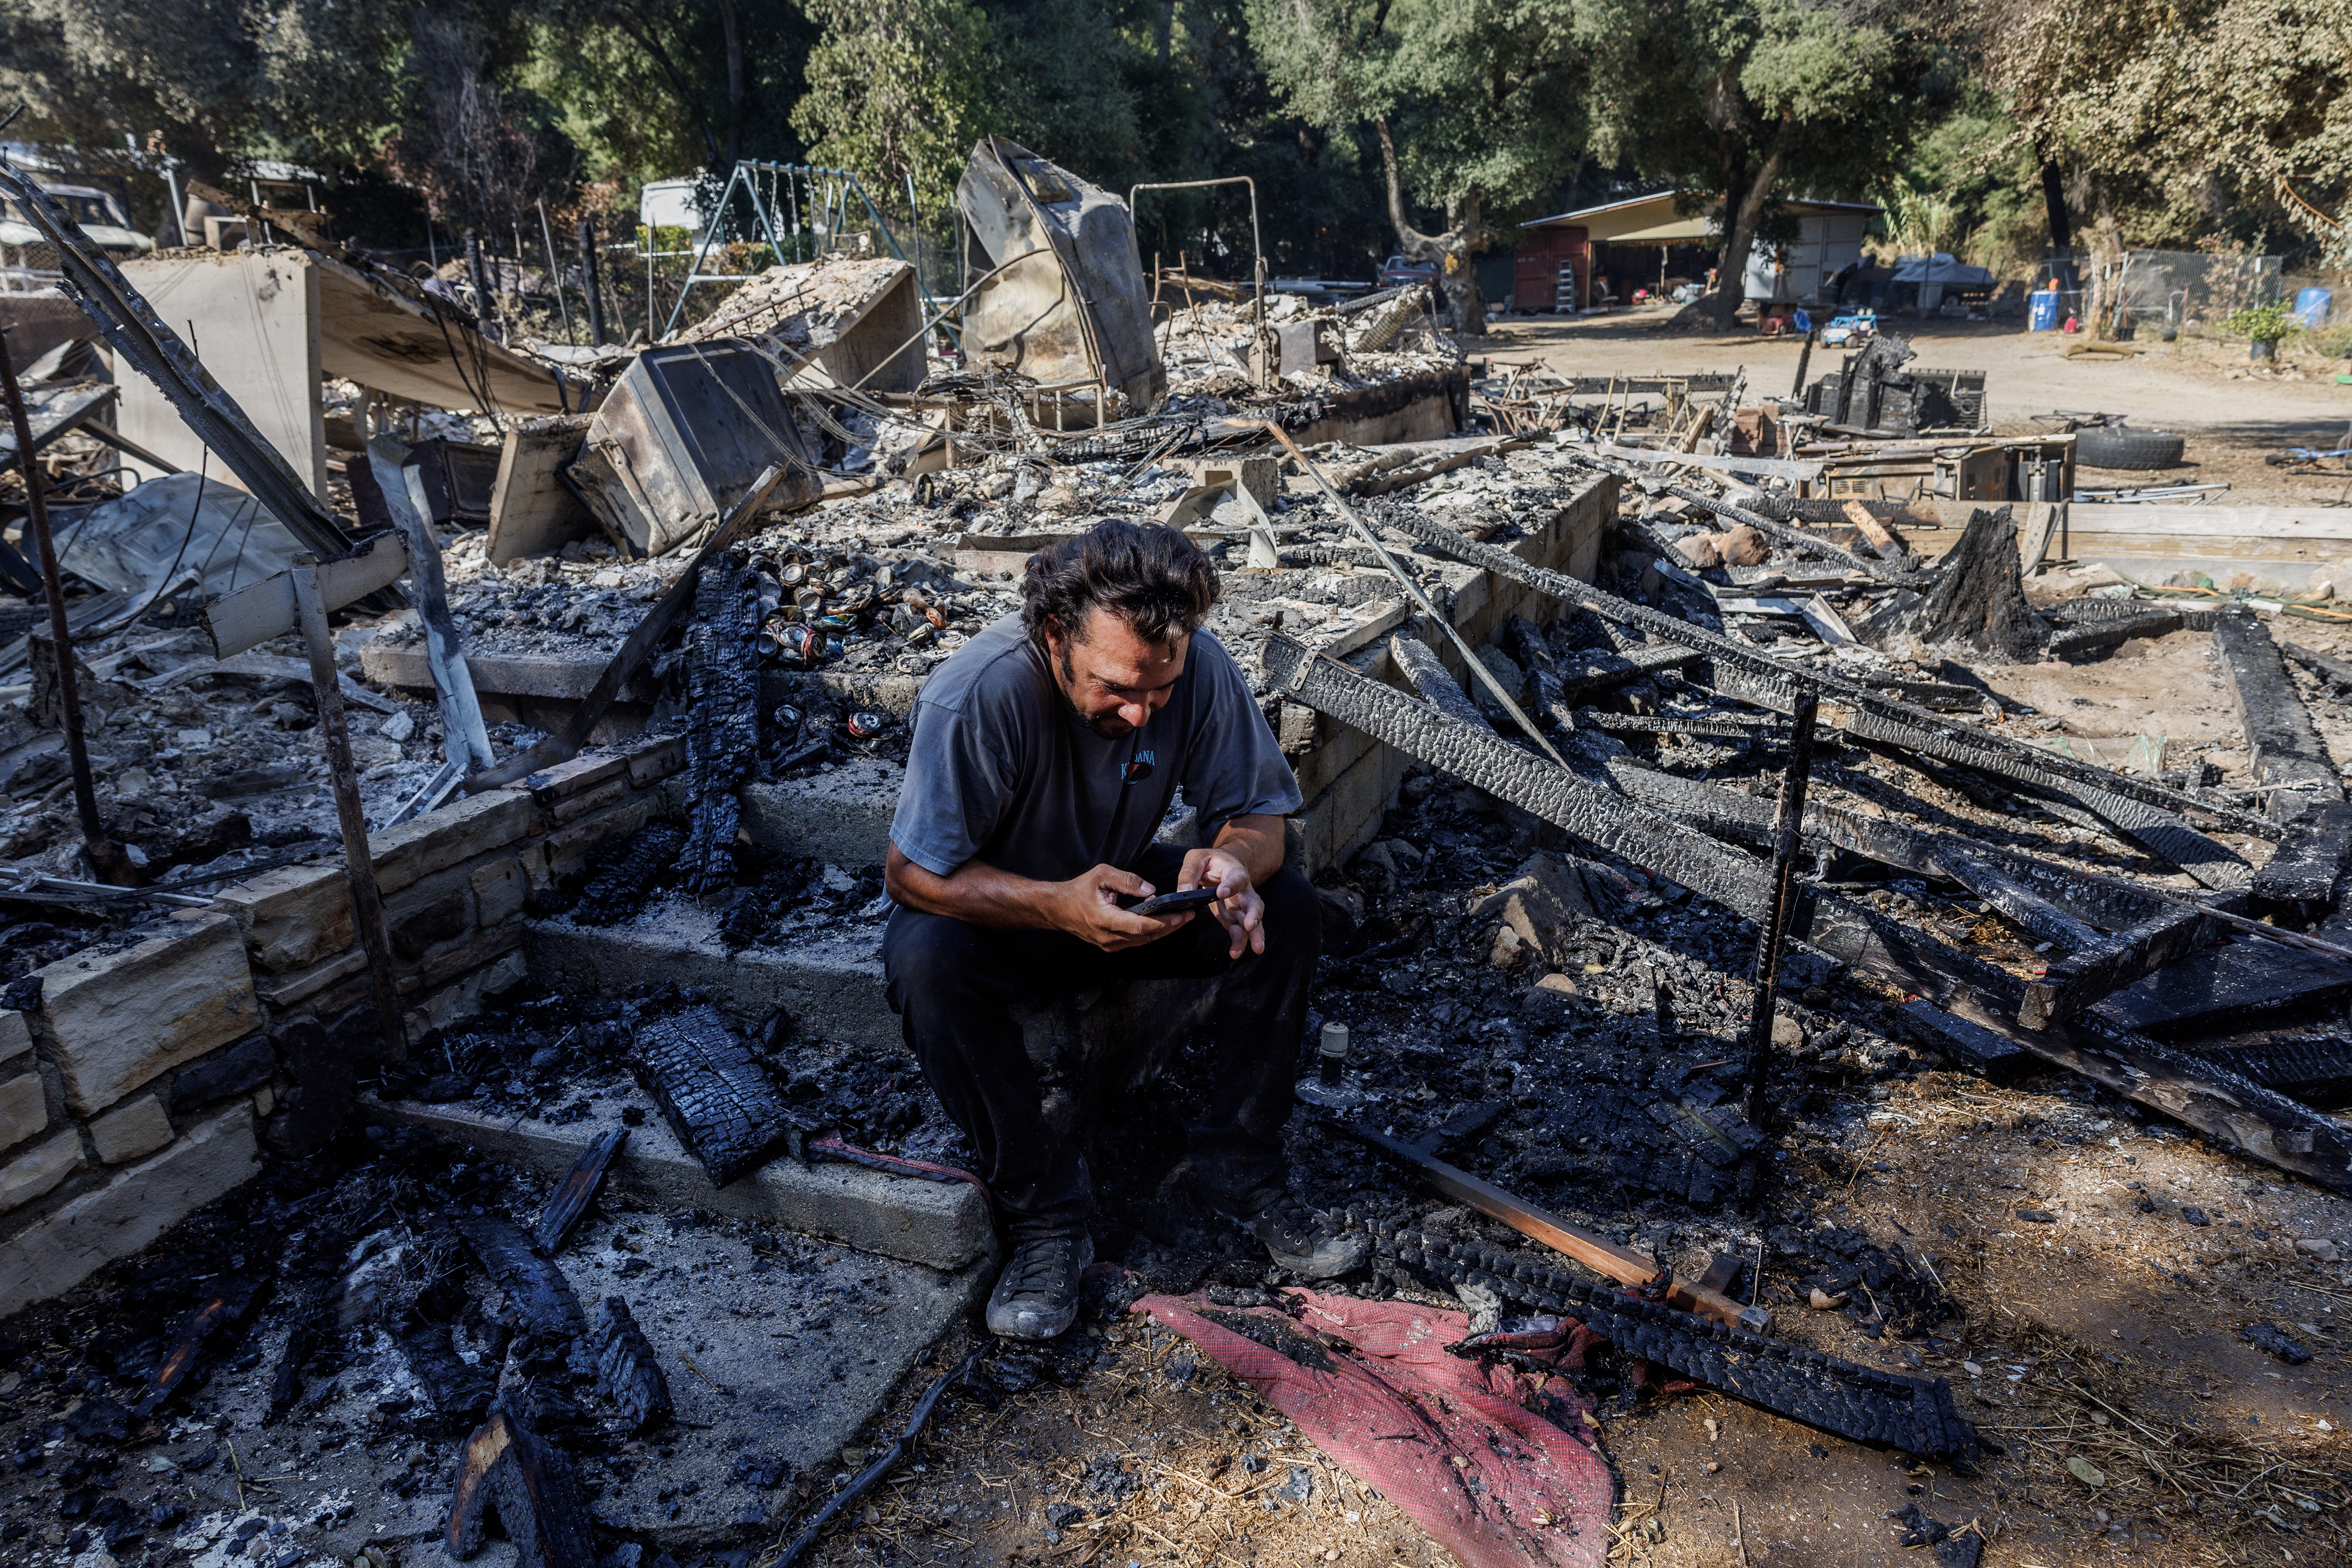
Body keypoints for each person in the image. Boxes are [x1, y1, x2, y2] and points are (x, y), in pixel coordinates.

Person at [882, 520, 1363, 1340]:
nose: (1143, 714)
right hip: (998, 909)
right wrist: (1053, 904)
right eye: (1116, 689)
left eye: (1160, 690)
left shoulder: (1195, 666)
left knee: (1282, 908)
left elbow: (1261, 819)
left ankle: (1240, 1169)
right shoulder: (979, 695)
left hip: (1119, 881)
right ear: (1053, 637)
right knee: (926, 966)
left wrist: (1232, 862)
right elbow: (911, 873)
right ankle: (1045, 1217)